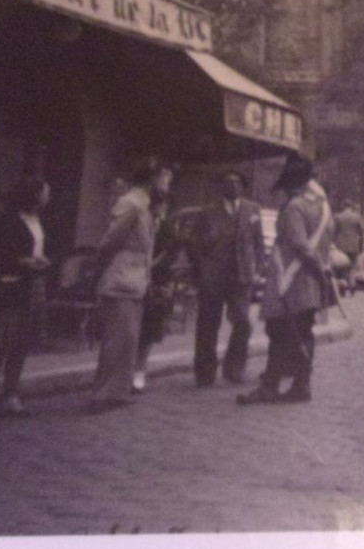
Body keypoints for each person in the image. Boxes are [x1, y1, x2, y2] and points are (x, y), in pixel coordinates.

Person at [239, 153, 332, 406]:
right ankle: (300, 385)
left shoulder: (294, 208)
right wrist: (321, 275)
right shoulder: (323, 208)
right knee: (303, 333)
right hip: (309, 284)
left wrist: (315, 270)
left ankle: (271, 385)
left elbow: (301, 247)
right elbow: (322, 248)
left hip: (290, 283)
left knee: (279, 332)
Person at [86, 158, 170, 413]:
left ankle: (116, 392)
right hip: (121, 279)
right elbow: (110, 241)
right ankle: (102, 394)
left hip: (135, 282)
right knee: (116, 340)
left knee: (127, 340)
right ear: (151, 179)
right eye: (163, 179)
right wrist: (98, 267)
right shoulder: (131, 203)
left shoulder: (146, 206)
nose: (165, 185)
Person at [0, 176, 53, 419]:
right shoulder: (6, 220)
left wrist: (41, 261)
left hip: (33, 286)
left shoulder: (38, 220)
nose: (48, 197)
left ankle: (11, 394)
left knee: (21, 344)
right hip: (10, 287)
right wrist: (22, 262)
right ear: (34, 194)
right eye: (45, 192)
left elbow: (37, 249)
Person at [190, 171, 265, 386]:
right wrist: (202, 268)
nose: (232, 186)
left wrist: (257, 268)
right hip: (213, 277)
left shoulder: (252, 210)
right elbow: (194, 244)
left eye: (236, 182)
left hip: (240, 277)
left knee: (243, 323)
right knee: (207, 326)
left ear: (243, 186)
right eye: (227, 182)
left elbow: (258, 243)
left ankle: (234, 368)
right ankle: (205, 373)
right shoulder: (209, 212)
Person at [134, 189, 181, 393]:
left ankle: (139, 370)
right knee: (132, 327)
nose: (160, 210)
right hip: (136, 279)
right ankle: (128, 368)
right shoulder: (138, 223)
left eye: (163, 205)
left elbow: (172, 254)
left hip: (157, 281)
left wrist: (155, 269)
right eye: (157, 205)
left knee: (150, 328)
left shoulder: (168, 228)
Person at [332, 199, 364, 295]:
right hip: (354, 246)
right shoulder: (357, 217)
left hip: (340, 246)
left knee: (341, 267)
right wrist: (361, 245)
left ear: (343, 206)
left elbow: (333, 232)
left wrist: (333, 244)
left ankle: (342, 287)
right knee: (352, 266)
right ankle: (352, 286)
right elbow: (362, 232)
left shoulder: (338, 217)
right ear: (351, 207)